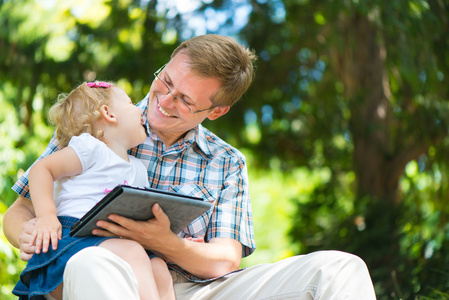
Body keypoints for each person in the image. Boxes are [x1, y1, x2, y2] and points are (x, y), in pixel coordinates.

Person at [4, 34, 377, 299]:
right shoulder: (102, 125)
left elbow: (225, 260)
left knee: (340, 269)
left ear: (215, 111)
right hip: (96, 274)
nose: (163, 100)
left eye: (184, 100)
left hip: (192, 290)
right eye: (165, 81)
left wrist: (165, 244)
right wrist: (33, 232)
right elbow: (20, 210)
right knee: (92, 265)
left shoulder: (227, 162)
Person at [11, 81, 175, 300]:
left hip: (115, 239)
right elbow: (42, 169)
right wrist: (47, 216)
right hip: (74, 236)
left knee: (159, 268)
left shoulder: (138, 168)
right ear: (108, 113)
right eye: (130, 103)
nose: (139, 109)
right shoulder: (90, 148)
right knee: (134, 253)